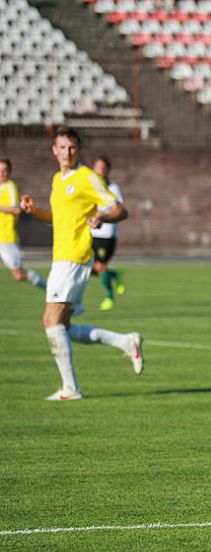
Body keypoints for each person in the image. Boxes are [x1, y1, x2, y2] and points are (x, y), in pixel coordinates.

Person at [20, 127, 144, 401]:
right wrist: (35, 211)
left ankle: (70, 388)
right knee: (61, 327)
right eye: (62, 148)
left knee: (50, 320)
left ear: (78, 149)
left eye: (72, 148)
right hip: (60, 258)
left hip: (75, 257)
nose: (67, 153)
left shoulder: (88, 177)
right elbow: (57, 216)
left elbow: (120, 210)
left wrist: (103, 219)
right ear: (54, 150)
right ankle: (125, 342)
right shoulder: (57, 179)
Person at [0, 158, 47, 292]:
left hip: (6, 238)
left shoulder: (10, 186)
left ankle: (47, 286)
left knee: (19, 275)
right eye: (0, 170)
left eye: (4, 170)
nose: (2, 173)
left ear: (9, 172)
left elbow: (16, 209)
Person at [91, 156, 127, 310]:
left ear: (107, 171)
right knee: (89, 268)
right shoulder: (90, 187)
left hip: (107, 234)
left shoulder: (112, 188)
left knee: (99, 265)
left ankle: (109, 297)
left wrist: (102, 215)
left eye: (103, 168)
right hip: (92, 233)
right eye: (97, 167)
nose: (100, 170)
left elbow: (118, 209)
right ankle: (114, 275)